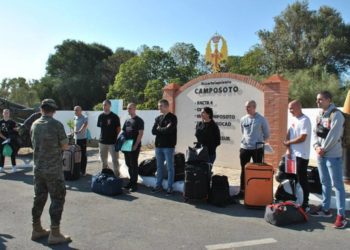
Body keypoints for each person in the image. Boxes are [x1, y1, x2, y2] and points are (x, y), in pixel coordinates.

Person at [30, 99, 72, 244]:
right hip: (53, 170)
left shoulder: (34, 125)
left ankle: (36, 229)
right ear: (54, 111)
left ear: (41, 109)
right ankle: (54, 233)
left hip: (38, 169)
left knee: (39, 198)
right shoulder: (56, 125)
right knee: (57, 198)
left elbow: (34, 144)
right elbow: (65, 146)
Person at [310, 91, 347, 229]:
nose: (317, 102)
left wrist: (322, 149)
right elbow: (315, 132)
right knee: (324, 182)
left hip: (333, 156)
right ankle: (325, 209)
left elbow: (334, 135)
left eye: (320, 99)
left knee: (337, 185)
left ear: (329, 100)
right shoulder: (319, 115)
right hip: (321, 154)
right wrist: (316, 147)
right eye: (317, 99)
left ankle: (341, 215)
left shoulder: (336, 115)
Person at [236, 100, 270, 198]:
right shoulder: (243, 119)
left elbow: (267, 134)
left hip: (257, 149)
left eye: (248, 107)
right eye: (246, 107)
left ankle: (256, 191)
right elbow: (243, 132)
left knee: (257, 170)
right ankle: (242, 191)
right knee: (244, 170)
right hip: (245, 148)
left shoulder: (262, 119)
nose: (246, 108)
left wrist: (259, 141)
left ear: (254, 107)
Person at [283, 100, 311, 212]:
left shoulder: (305, 120)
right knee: (293, 178)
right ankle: (296, 200)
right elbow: (288, 134)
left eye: (291, 108)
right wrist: (288, 149)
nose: (290, 111)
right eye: (289, 108)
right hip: (292, 155)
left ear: (299, 107)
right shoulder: (293, 119)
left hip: (302, 156)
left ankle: (305, 204)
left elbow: (302, 138)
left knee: (302, 179)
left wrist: (289, 143)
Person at [151, 99, 177, 195]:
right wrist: (164, 129)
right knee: (159, 167)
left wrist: (160, 129)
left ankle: (170, 187)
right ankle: (158, 186)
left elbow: (169, 130)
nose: (159, 108)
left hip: (169, 146)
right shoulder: (158, 118)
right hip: (158, 146)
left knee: (170, 168)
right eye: (159, 106)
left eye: (160, 106)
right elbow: (153, 131)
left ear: (166, 106)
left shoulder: (173, 118)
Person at [122, 103, 144, 192]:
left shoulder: (139, 120)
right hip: (127, 144)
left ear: (135, 109)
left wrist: (135, 145)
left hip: (134, 144)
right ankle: (131, 181)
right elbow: (123, 132)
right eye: (127, 108)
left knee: (133, 164)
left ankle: (134, 184)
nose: (128, 110)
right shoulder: (127, 120)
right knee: (128, 164)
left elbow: (141, 133)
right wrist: (120, 142)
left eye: (130, 108)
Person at [97, 99, 121, 176]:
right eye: (103, 105)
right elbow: (101, 127)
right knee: (103, 160)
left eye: (105, 105)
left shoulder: (114, 116)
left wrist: (115, 137)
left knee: (115, 160)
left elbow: (118, 128)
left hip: (112, 142)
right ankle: (104, 174)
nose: (104, 106)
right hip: (102, 142)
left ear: (110, 106)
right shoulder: (100, 116)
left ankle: (116, 175)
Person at [0, 109, 18, 173]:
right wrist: (5, 138)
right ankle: (1, 167)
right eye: (5, 113)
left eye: (7, 113)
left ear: (9, 114)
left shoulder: (12, 122)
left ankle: (14, 167)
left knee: (12, 153)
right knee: (2, 153)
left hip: (11, 140)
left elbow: (16, 131)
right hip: (2, 139)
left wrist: (17, 129)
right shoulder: (0, 122)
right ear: (3, 113)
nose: (6, 114)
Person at [73, 106, 88, 176]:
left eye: (76, 110)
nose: (75, 111)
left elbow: (85, 125)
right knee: (77, 155)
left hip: (82, 139)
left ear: (80, 110)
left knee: (83, 155)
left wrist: (79, 131)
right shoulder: (75, 117)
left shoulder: (84, 117)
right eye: (74, 110)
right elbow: (75, 126)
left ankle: (83, 171)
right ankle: (78, 170)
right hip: (76, 139)